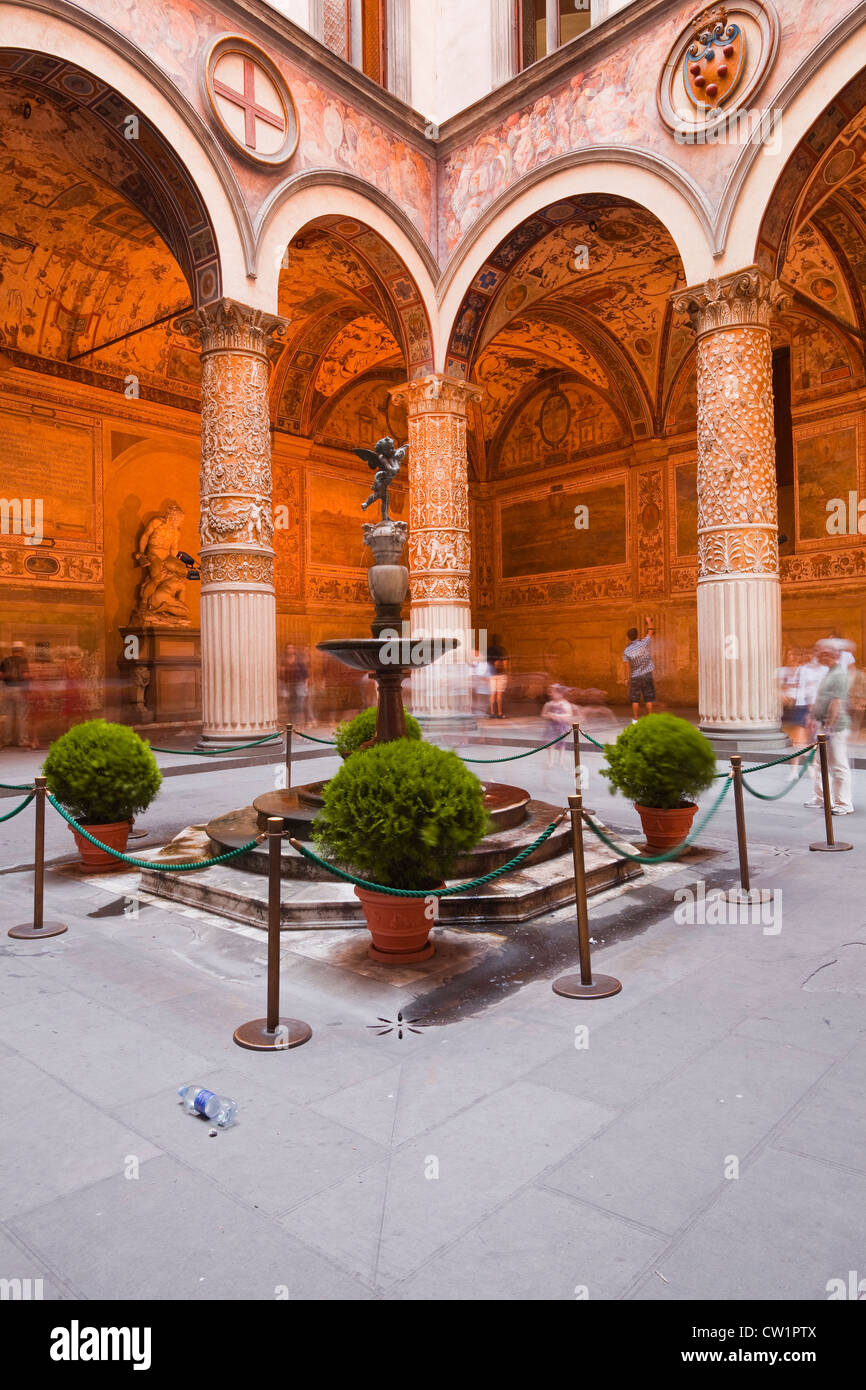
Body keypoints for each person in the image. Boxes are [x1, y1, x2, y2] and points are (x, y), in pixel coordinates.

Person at [804, 638, 854, 815]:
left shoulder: (838, 675)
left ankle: (844, 803)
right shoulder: (830, 672)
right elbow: (824, 700)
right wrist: (814, 717)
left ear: (829, 654)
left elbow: (836, 703)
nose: (816, 654)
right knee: (819, 764)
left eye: (819, 651)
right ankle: (821, 797)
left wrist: (828, 727)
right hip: (824, 726)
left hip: (835, 728)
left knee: (838, 765)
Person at [0, 641, 36, 748]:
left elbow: (0, 675)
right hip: (20, 690)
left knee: (9, 716)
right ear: (21, 651)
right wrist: (31, 678)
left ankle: (7, 740)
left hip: (7, 690)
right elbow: (25, 675)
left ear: (13, 650)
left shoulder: (5, 661)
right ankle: (22, 741)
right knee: (22, 717)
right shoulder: (23, 660)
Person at [623, 616, 655, 721]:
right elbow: (650, 632)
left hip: (635, 677)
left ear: (629, 637)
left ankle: (635, 719)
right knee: (648, 698)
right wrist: (649, 621)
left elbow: (626, 666)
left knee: (635, 699)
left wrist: (626, 679)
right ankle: (650, 717)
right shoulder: (643, 643)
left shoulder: (626, 651)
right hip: (647, 674)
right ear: (637, 635)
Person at [541, 684, 573, 768]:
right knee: (551, 744)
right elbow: (543, 714)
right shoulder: (549, 704)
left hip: (561, 726)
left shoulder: (565, 704)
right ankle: (551, 761)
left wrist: (558, 716)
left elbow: (569, 715)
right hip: (551, 727)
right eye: (552, 693)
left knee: (562, 744)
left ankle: (561, 760)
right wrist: (549, 715)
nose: (552, 694)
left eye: (554, 693)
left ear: (561, 694)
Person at [487, 634, 508, 719]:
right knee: (499, 695)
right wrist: (507, 673)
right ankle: (499, 713)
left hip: (491, 674)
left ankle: (492, 713)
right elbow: (505, 663)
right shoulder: (502, 650)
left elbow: (486, 663)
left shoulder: (489, 650)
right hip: (501, 674)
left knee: (492, 694)